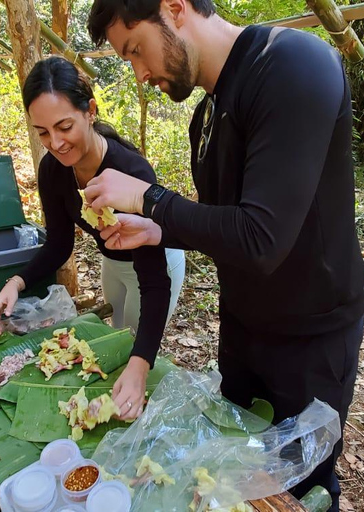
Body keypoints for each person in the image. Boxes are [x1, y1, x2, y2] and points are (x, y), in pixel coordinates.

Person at [84, 0, 364, 508]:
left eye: (136, 51)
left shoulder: (293, 65)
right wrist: (157, 230)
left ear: (175, 8)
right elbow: (227, 227)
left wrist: (150, 198)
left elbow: (262, 238)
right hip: (241, 330)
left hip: (310, 342)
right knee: (231, 476)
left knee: (301, 490)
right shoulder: (206, 115)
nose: (140, 73)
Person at [0, 56, 186, 421]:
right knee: (115, 341)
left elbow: (154, 282)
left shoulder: (130, 171)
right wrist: (17, 283)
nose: (57, 143)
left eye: (65, 126)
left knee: (136, 353)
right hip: (112, 263)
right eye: (43, 132)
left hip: (157, 263)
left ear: (90, 111)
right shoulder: (53, 170)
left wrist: (140, 365)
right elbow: (59, 244)